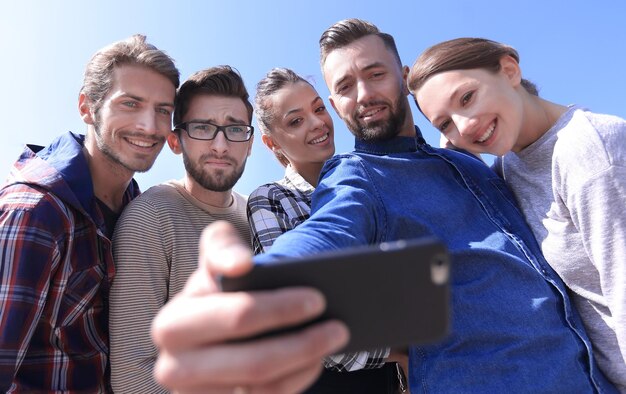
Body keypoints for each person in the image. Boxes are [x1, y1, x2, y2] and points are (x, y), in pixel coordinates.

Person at [151, 19, 617, 393]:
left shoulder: (473, 162)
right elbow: (325, 232)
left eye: (375, 74)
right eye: (346, 86)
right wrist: (253, 286)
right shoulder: (355, 175)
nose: (365, 95)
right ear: (335, 103)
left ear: (405, 76)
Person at [407, 37, 626, 391]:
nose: (463, 127)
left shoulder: (591, 153)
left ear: (509, 70)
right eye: (445, 124)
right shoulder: (510, 166)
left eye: (466, 98)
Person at [0, 35, 179, 392]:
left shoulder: (138, 211)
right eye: (131, 103)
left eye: (163, 110)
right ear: (87, 107)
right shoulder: (36, 211)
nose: (150, 126)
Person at [249, 67, 406, 393]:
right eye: (295, 121)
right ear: (271, 142)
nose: (317, 123)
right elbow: (301, 322)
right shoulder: (271, 200)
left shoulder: (368, 185)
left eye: (318, 109)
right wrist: (401, 351)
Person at [109, 66, 254, 393]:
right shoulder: (150, 217)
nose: (220, 145)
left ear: (251, 142)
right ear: (176, 140)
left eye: (235, 129)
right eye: (203, 128)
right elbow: (133, 377)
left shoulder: (256, 215)